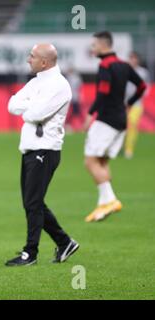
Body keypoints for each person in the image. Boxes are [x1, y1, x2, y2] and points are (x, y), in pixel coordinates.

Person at [6, 43, 79, 267]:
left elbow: (35, 114)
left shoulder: (59, 85)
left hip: (45, 150)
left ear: (44, 62)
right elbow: (12, 105)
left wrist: (29, 106)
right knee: (32, 203)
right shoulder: (36, 82)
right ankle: (64, 242)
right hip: (30, 148)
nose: (28, 59)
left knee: (33, 203)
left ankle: (30, 253)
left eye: (32, 56)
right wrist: (31, 106)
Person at [84, 31, 147, 223]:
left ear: (104, 46)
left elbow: (102, 93)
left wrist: (90, 114)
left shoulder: (105, 66)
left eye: (94, 45)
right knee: (102, 162)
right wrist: (129, 103)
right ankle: (103, 205)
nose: (92, 49)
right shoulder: (124, 65)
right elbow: (142, 86)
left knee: (91, 162)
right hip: (121, 119)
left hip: (107, 119)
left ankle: (110, 200)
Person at [124, 51, 151, 159]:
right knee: (122, 126)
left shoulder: (143, 72)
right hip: (123, 104)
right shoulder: (124, 71)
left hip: (136, 104)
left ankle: (128, 149)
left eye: (134, 58)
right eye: (130, 58)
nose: (132, 60)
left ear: (137, 60)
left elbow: (146, 87)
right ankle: (119, 146)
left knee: (132, 124)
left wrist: (139, 95)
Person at [65, 66, 83, 131]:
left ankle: (68, 124)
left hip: (74, 98)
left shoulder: (71, 78)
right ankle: (83, 124)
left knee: (76, 112)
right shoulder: (76, 77)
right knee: (76, 113)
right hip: (74, 97)